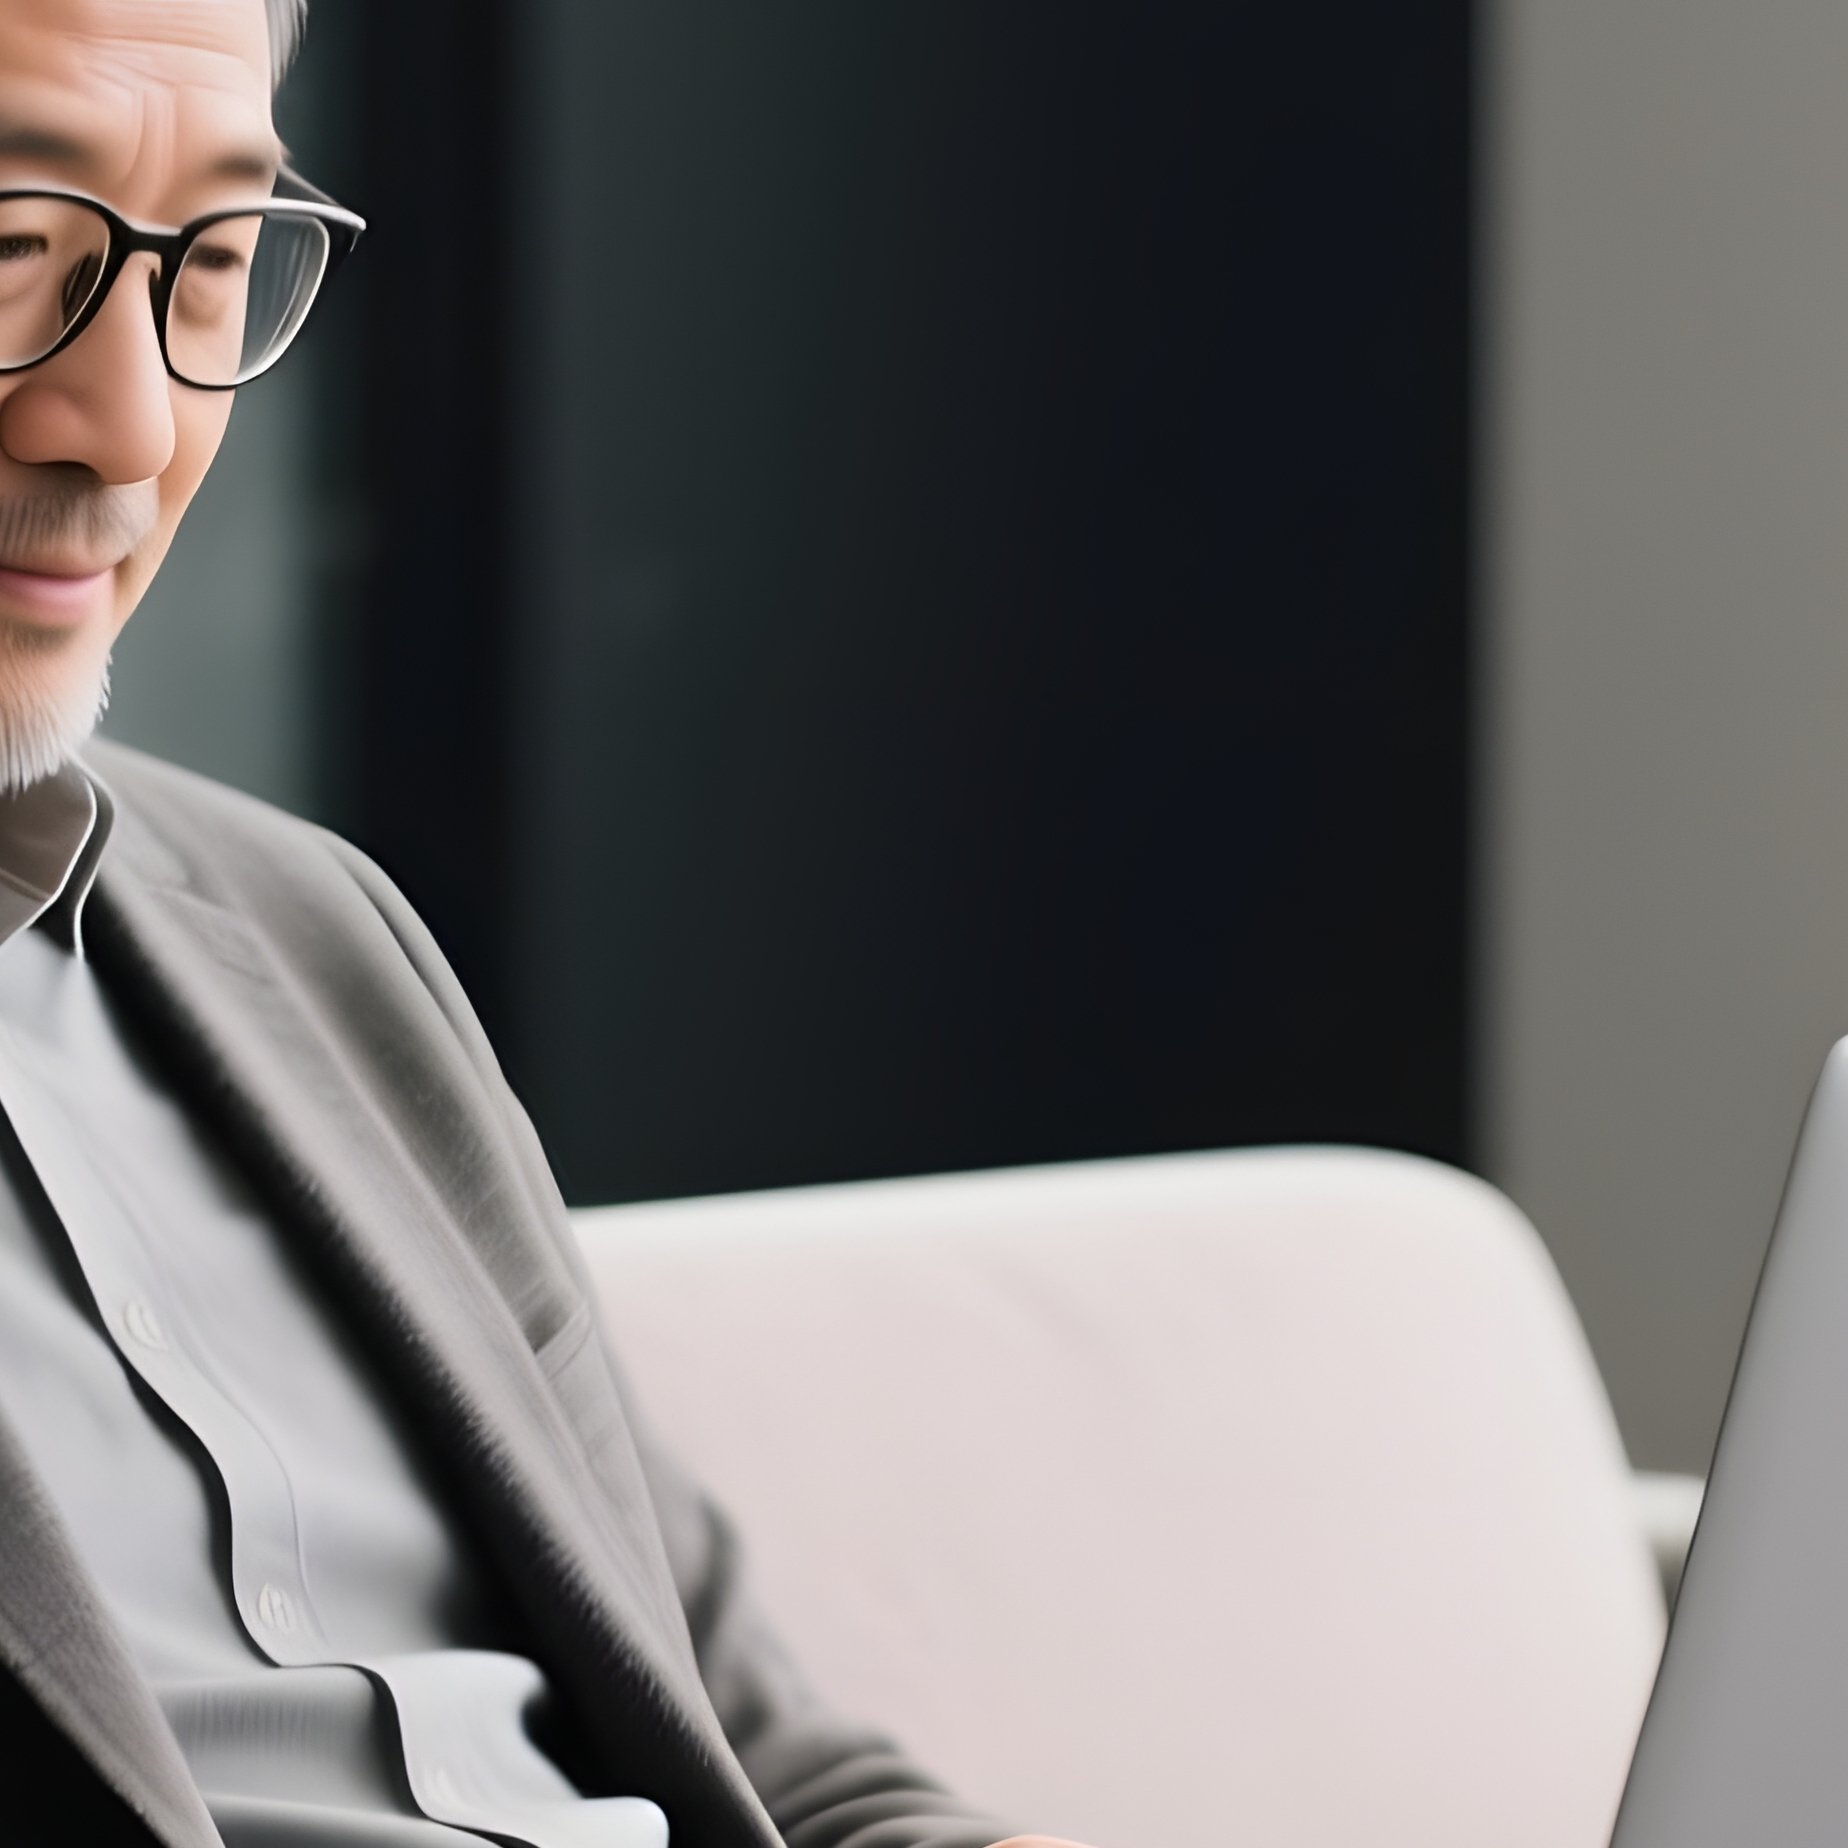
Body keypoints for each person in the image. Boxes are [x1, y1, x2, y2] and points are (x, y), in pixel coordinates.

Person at [0, 2, 1098, 1844]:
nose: (132, 423)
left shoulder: (313, 943)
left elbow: (772, 1760)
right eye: (15, 250)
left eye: (212, 269)